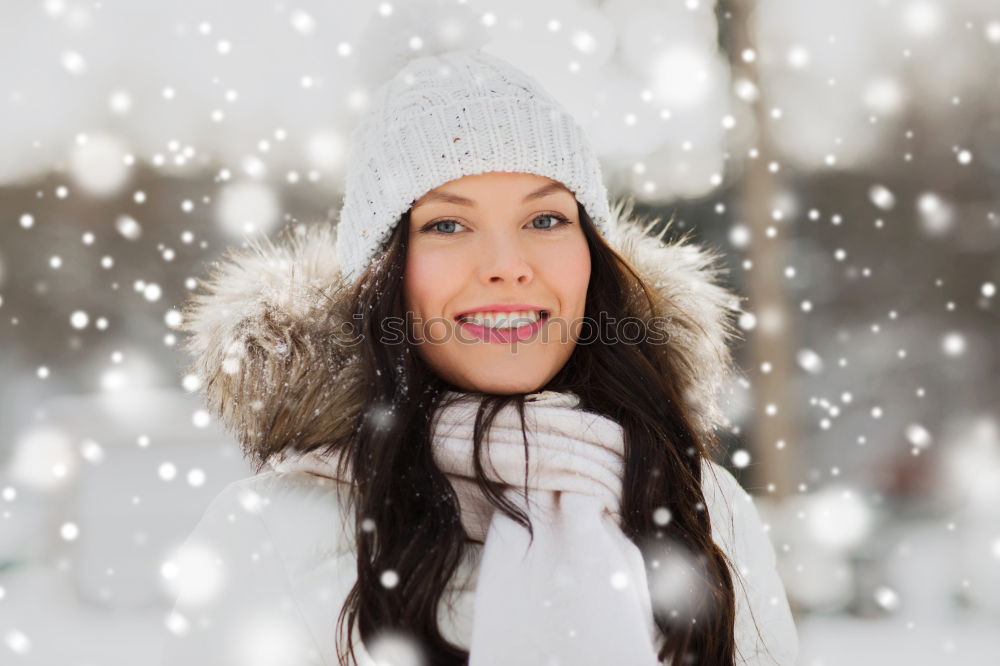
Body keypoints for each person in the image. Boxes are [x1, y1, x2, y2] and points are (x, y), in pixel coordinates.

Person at [156, 48, 798, 666]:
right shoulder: (273, 530)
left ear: (591, 260)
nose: (506, 267)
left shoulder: (706, 506)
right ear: (385, 278)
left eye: (545, 220)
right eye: (446, 225)